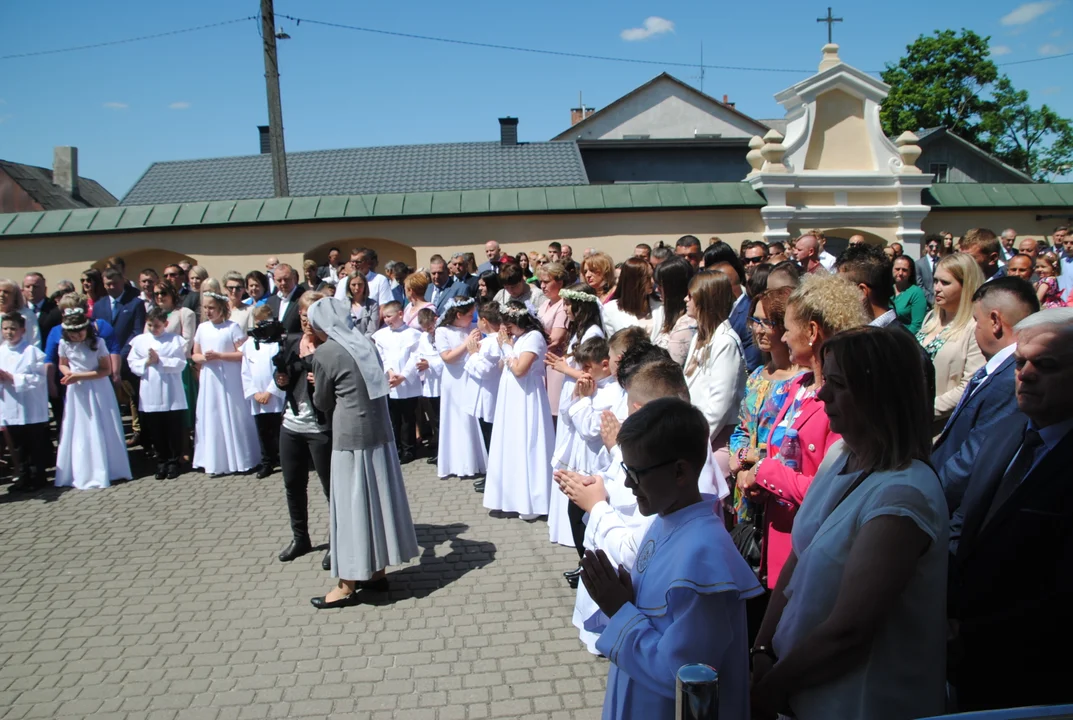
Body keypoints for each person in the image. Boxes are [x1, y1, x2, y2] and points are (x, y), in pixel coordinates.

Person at [751, 327, 947, 720]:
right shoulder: (841, 454)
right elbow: (799, 558)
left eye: (837, 385)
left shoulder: (903, 495)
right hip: (803, 690)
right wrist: (761, 651)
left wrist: (773, 685)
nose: (822, 395)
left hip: (859, 702)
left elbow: (851, 631)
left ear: (879, 394)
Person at [582, 397, 763, 720]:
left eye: (636, 472)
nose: (626, 483)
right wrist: (629, 598)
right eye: (626, 470)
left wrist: (620, 610)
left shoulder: (703, 557)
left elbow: (684, 676)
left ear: (680, 471)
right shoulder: (664, 520)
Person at [948, 308, 1073, 711]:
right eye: (1020, 362)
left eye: (1046, 365)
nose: (1027, 373)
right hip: (963, 660)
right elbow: (963, 524)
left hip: (1036, 676)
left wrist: (971, 632)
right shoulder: (1005, 432)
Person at [736, 275, 867, 591]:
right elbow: (781, 456)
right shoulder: (797, 387)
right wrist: (759, 481)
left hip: (810, 553)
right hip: (777, 542)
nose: (782, 338)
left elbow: (830, 489)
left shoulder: (840, 402)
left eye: (789, 329)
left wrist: (764, 472)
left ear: (811, 332)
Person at [306, 297, 419, 609]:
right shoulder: (366, 343)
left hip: (350, 438)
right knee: (376, 504)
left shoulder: (326, 351)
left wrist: (315, 380)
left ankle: (346, 585)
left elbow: (323, 402)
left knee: (352, 508)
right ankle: (377, 573)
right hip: (380, 434)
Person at [933, 277, 1039, 514]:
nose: (974, 329)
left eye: (975, 321)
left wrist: (925, 499)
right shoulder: (998, 370)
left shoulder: (1010, 380)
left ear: (995, 321)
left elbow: (973, 461)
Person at [728, 288, 802, 523]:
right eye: (754, 321)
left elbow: (792, 446)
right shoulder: (757, 376)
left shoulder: (801, 384)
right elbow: (742, 429)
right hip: (747, 490)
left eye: (765, 322)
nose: (757, 330)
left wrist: (752, 458)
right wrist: (740, 467)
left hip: (779, 490)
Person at [273, 291, 333, 568]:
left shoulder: (331, 347)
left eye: (311, 315)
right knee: (293, 485)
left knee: (331, 488)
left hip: (321, 426)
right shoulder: (292, 342)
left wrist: (321, 380)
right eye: (302, 315)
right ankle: (301, 537)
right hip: (292, 424)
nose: (306, 321)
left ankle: (338, 542)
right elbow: (281, 380)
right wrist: (280, 379)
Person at [483, 301, 556, 521]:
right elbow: (505, 365)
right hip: (511, 396)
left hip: (526, 396)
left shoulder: (533, 337)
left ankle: (533, 501)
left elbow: (521, 369)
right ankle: (510, 497)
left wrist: (506, 346)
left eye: (508, 323)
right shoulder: (516, 338)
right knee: (511, 443)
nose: (504, 328)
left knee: (528, 442)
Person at [54, 308, 131, 489]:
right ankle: (81, 469)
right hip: (77, 391)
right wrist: (69, 374)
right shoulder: (64, 345)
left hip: (97, 388)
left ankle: (108, 468)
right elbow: (62, 364)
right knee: (80, 427)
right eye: (72, 334)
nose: (76, 337)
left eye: (79, 332)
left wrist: (80, 376)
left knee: (101, 424)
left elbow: (105, 370)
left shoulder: (98, 343)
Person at [916, 253, 985, 436]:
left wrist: (925, 410)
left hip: (942, 428)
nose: (936, 288)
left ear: (966, 286)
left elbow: (970, 385)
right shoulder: (931, 317)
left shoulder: (974, 327)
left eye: (945, 283)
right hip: (913, 423)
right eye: (935, 280)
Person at [192, 291, 260, 476]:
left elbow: (242, 353)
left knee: (233, 413)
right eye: (205, 308)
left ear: (222, 308)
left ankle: (241, 458)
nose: (208, 311)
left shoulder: (232, 327)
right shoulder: (202, 328)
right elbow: (195, 353)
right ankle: (214, 460)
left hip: (229, 378)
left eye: (211, 307)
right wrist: (203, 358)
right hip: (210, 378)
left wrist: (221, 356)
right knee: (212, 414)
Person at [683, 271, 747, 450]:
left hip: (716, 439)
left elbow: (720, 404)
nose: (685, 300)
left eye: (690, 296)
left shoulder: (725, 342)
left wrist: (696, 445)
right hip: (695, 429)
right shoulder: (699, 337)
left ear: (706, 300)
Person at [127, 307, 188, 480]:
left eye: (157, 326)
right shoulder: (140, 341)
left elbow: (180, 363)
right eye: (150, 325)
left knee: (172, 429)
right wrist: (147, 362)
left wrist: (160, 360)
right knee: (156, 430)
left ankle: (173, 462)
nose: (154, 329)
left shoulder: (175, 340)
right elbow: (132, 362)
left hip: (171, 391)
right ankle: (161, 461)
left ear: (166, 324)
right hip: (151, 391)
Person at [434, 297, 487, 479]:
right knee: (456, 418)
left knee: (471, 417)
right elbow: (448, 357)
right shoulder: (442, 331)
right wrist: (467, 344)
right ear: (458, 315)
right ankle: (457, 463)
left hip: (470, 377)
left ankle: (476, 461)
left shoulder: (472, 328)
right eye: (470, 314)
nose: (473, 317)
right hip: (454, 380)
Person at [0, 312, 51, 493]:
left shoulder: (32, 352)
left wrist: (13, 377)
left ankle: (38, 477)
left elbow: (38, 378)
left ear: (22, 330)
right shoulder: (1, 351)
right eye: (5, 328)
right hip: (10, 404)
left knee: (33, 443)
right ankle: (23, 477)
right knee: (17, 444)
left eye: (13, 328)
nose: (9, 332)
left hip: (30, 405)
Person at [372, 301, 422, 464]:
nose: (386, 320)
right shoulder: (381, 335)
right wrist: (391, 372)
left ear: (400, 314)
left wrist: (404, 376)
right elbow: (382, 355)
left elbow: (415, 356)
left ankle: (409, 449)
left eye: (389, 316)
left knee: (408, 417)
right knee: (393, 417)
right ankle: (396, 448)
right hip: (390, 380)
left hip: (407, 382)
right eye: (384, 317)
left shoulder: (413, 334)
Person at [241, 305, 286, 479]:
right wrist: (255, 393)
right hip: (258, 396)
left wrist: (270, 391)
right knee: (263, 430)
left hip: (274, 395)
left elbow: (280, 369)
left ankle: (283, 459)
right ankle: (267, 461)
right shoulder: (249, 344)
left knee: (278, 429)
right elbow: (245, 371)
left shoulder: (278, 342)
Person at [463, 303, 504, 493]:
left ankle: (496, 478)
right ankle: (491, 474)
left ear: (484, 321)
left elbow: (485, 370)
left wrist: (473, 354)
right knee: (488, 437)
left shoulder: (493, 342)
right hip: (485, 397)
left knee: (492, 439)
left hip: (491, 396)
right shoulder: (489, 341)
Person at [536, 262, 570, 421]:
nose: (542, 286)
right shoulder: (545, 304)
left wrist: (532, 348)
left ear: (560, 282)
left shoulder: (564, 305)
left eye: (546, 282)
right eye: (541, 282)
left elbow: (555, 339)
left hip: (555, 363)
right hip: (542, 361)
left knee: (554, 413)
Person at [649, 257, 696, 366]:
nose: (656, 290)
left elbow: (671, 369)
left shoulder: (685, 325)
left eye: (661, 286)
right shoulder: (670, 317)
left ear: (673, 288)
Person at [600, 257, 661, 335]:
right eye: (647, 278)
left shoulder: (660, 306)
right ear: (633, 281)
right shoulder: (610, 310)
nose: (652, 281)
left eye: (652, 276)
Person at [414, 307, 443, 463]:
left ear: (435, 320)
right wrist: (421, 363)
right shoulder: (424, 337)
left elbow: (446, 356)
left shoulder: (442, 334)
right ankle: (439, 449)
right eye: (425, 329)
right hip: (430, 382)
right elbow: (419, 354)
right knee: (435, 418)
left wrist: (430, 364)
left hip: (442, 381)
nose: (429, 331)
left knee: (443, 417)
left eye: (430, 327)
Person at [22, 272, 61, 346]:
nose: (31, 290)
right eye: (28, 286)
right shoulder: (19, 310)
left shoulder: (56, 310)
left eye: (36, 286)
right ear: (22, 290)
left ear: (45, 289)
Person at [891, 255, 927, 333]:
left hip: (904, 339)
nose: (900, 273)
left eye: (904, 270)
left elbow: (916, 325)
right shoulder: (886, 289)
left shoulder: (916, 293)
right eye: (897, 269)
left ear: (910, 272)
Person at [266, 264, 305, 335]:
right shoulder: (270, 302)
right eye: (279, 280)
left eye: (286, 279)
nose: (283, 283)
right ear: (274, 280)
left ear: (294, 278)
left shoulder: (304, 298)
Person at [342, 271, 379, 338]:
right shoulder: (342, 305)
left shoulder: (373, 305)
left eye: (360, 284)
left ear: (365, 285)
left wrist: (361, 344)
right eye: (353, 285)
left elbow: (372, 330)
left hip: (366, 344)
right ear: (348, 286)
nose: (357, 288)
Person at [916, 235, 942, 305]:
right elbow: (919, 285)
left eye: (937, 247)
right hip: (925, 302)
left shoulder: (943, 262)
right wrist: (932, 300)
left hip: (941, 300)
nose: (934, 249)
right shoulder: (919, 264)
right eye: (931, 246)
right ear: (926, 247)